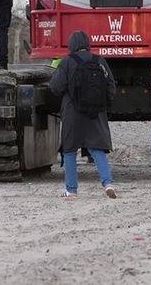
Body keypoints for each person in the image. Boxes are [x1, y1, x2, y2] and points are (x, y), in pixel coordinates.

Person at [48, 31, 118, 198]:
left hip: (72, 111)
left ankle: (71, 190)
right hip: (97, 112)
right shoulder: (100, 61)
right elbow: (111, 88)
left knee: (70, 150)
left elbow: (56, 87)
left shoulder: (67, 62)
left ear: (71, 45)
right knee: (97, 148)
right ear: (88, 44)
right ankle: (108, 183)